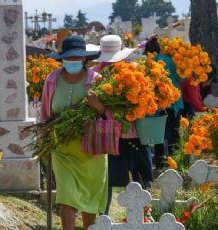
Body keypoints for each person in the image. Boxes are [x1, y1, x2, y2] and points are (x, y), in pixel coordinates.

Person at [40, 36, 107, 230]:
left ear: (84, 59)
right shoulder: (52, 79)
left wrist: (98, 107)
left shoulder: (96, 80)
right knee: (66, 196)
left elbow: (110, 115)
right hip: (62, 149)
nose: (73, 62)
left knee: (90, 197)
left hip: (91, 149)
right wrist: (44, 137)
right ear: (62, 59)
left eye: (77, 58)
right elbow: (45, 112)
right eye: (69, 58)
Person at [92, 35, 154, 215]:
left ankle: (145, 217)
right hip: (109, 138)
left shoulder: (135, 73)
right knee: (106, 182)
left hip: (135, 134)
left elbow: (145, 102)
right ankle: (103, 220)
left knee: (141, 181)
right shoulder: (96, 76)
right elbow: (93, 108)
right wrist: (103, 109)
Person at [144, 35, 184, 168]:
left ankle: (159, 160)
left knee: (158, 132)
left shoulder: (148, 63)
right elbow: (180, 77)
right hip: (173, 101)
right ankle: (175, 159)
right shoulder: (169, 59)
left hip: (157, 104)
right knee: (174, 132)